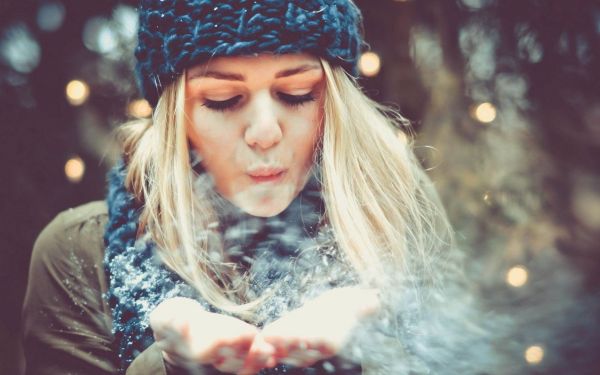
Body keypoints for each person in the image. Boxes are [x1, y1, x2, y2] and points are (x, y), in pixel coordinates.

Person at [22, 1, 456, 374]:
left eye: (298, 92)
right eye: (223, 100)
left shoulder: (395, 213)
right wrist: (171, 365)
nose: (265, 132)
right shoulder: (79, 255)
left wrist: (366, 350)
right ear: (176, 116)